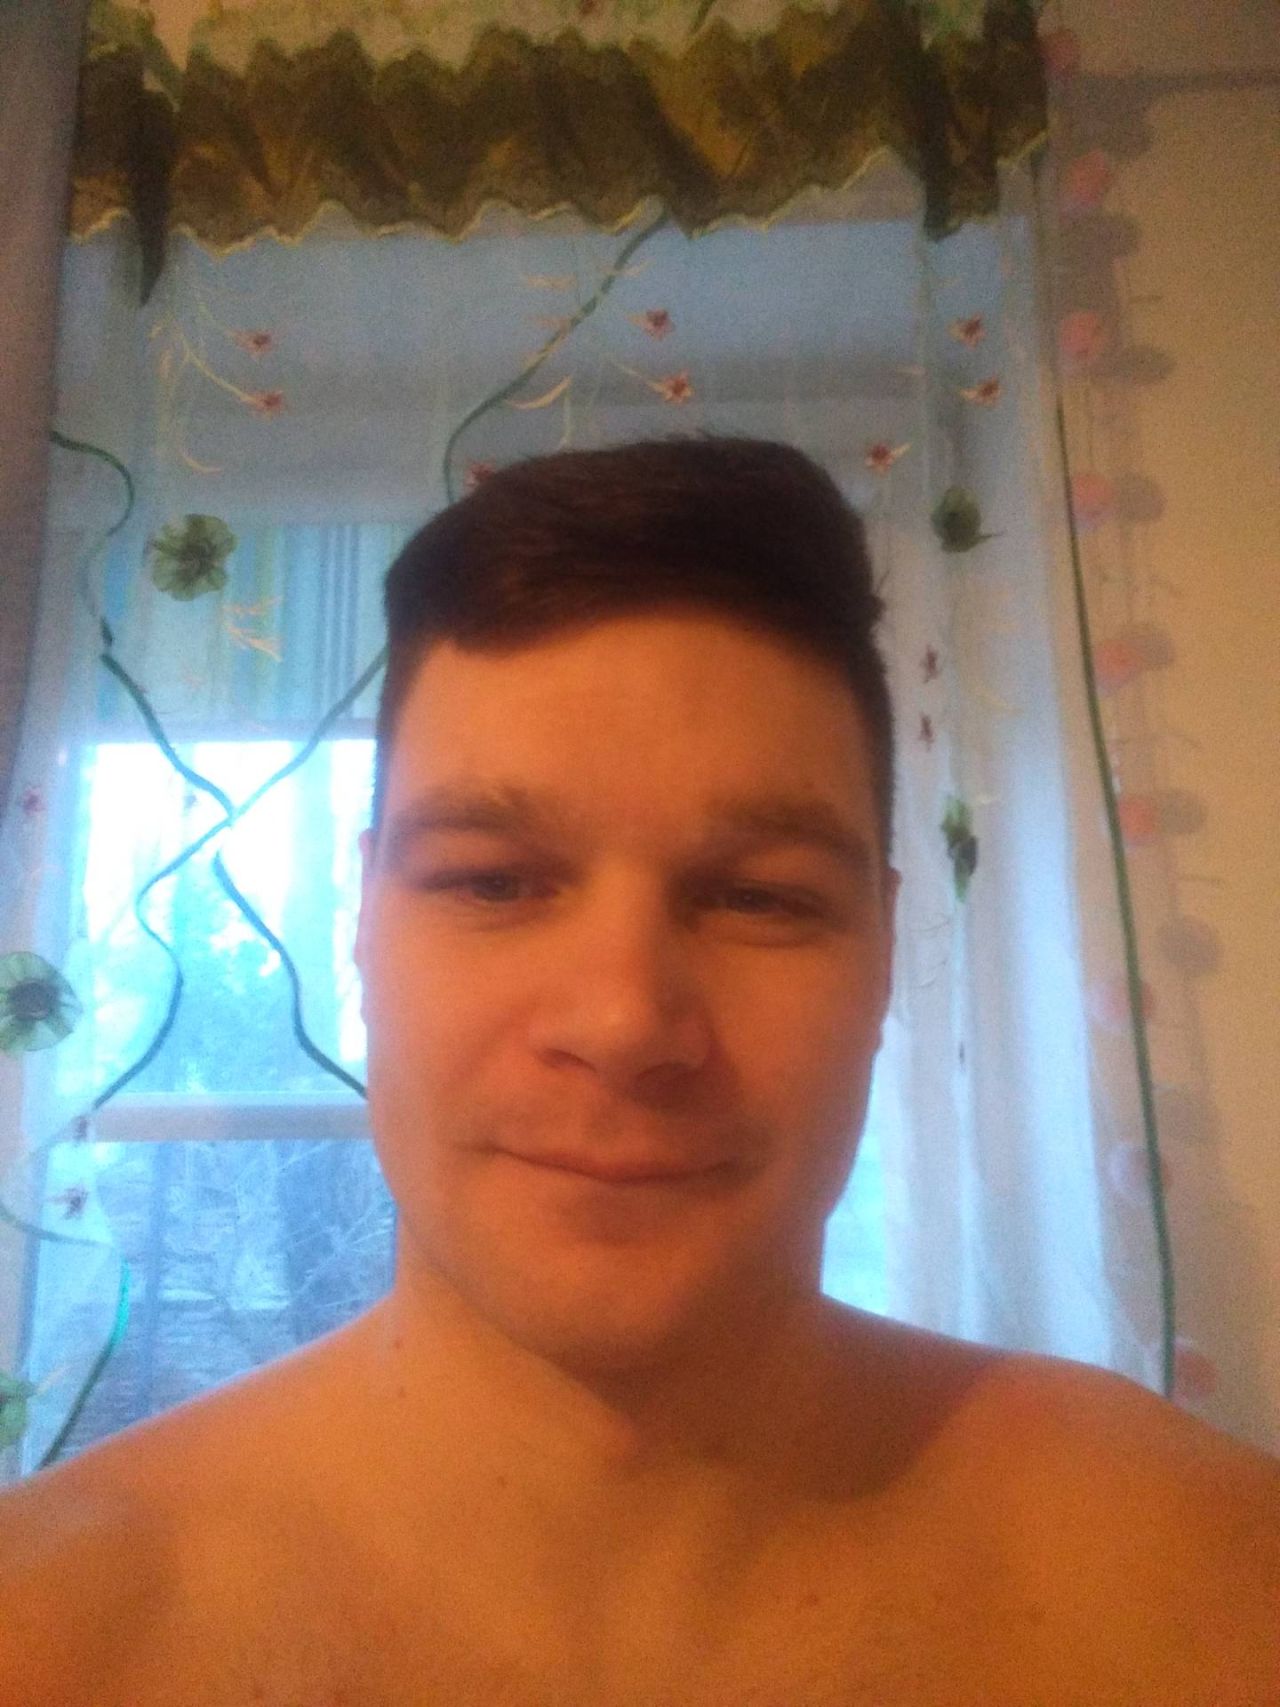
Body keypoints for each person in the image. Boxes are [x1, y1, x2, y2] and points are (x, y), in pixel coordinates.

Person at [0, 436, 1276, 1706]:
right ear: (362, 925)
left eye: (759, 898)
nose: (622, 1022)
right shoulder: (48, 1633)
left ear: (884, 952)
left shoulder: (1216, 1590)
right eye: (493, 881)